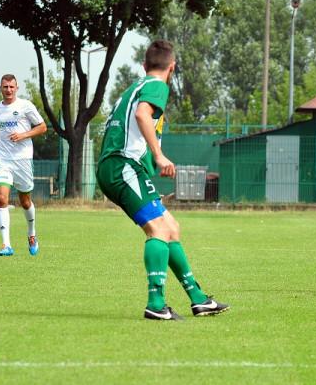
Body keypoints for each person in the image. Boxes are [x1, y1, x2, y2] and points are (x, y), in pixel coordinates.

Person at [96, 40, 229, 321]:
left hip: (121, 166)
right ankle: (156, 303)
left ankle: (198, 299)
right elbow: (142, 114)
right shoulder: (157, 86)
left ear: (144, 66)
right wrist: (159, 155)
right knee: (157, 229)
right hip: (123, 166)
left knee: (171, 227)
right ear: (172, 67)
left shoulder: (135, 87)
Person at [0, 74, 47, 257]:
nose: (8, 90)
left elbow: (42, 127)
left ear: (16, 88)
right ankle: (6, 245)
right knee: (2, 198)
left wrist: (23, 135)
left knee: (25, 201)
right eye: (5, 87)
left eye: (11, 87)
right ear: (0, 88)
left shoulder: (25, 106)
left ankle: (31, 234)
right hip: (2, 159)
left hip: (22, 160)